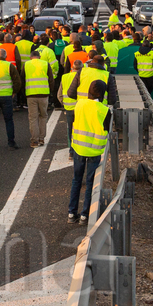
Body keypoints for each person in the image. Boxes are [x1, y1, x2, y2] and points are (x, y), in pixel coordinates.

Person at [68, 80, 110, 224]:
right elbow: (107, 129)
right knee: (90, 183)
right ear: (103, 93)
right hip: (94, 150)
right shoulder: (104, 110)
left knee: (76, 180)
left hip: (78, 147)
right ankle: (85, 215)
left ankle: (71, 213)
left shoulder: (79, 104)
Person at [24, 48, 53, 147]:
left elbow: (22, 78)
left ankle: (34, 140)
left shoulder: (26, 64)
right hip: (44, 94)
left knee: (33, 118)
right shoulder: (45, 64)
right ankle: (41, 138)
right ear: (39, 57)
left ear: (30, 57)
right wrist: (50, 92)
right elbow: (51, 79)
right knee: (43, 116)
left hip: (31, 94)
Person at [60, 60, 83, 146]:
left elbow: (59, 93)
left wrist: (63, 102)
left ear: (72, 68)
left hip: (68, 107)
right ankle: (79, 148)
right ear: (82, 68)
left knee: (70, 128)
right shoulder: (83, 76)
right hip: (80, 107)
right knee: (80, 129)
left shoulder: (65, 77)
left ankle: (71, 150)